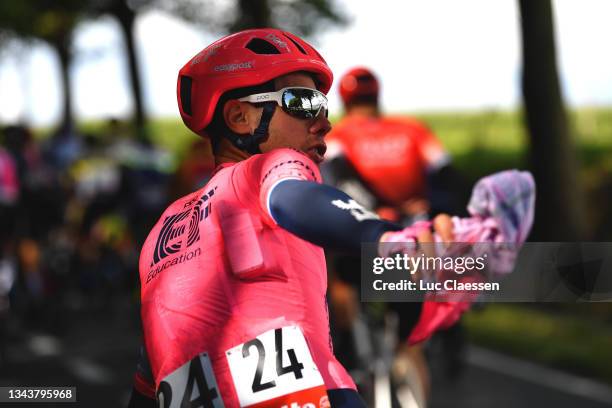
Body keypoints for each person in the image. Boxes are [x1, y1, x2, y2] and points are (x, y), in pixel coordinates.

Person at [127, 29, 454, 408]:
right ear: (240, 117)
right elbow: (297, 200)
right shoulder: (271, 167)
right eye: (302, 101)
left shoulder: (161, 232)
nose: (323, 121)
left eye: (323, 105)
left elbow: (149, 378)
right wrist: (387, 238)